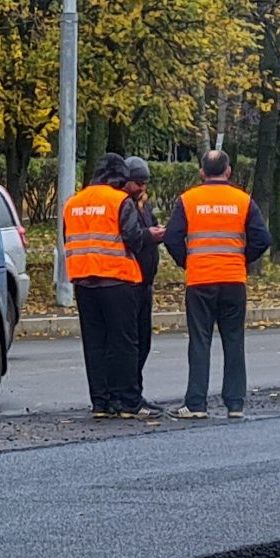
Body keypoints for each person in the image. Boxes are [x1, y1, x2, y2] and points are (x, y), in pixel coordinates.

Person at [164, 149, 272, 420]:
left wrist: (188, 262)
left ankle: (197, 403)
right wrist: (241, 259)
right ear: (228, 171)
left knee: (200, 341)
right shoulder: (242, 200)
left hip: (200, 279)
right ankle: (235, 404)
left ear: (202, 172)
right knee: (234, 341)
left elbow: (172, 237)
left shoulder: (188, 200)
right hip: (233, 279)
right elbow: (262, 238)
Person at [63, 153, 158, 418]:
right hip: (118, 280)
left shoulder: (72, 203)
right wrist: (150, 235)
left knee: (94, 344)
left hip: (83, 281)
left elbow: (67, 238)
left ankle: (101, 403)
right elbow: (132, 237)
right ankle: (129, 402)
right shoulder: (119, 201)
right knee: (124, 342)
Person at [122, 157, 165, 380]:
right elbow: (131, 238)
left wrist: (156, 232)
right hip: (129, 282)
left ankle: (134, 390)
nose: (142, 187)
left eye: (145, 183)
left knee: (143, 341)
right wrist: (150, 234)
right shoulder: (123, 204)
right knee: (132, 343)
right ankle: (129, 391)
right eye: (138, 182)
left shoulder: (143, 205)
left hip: (145, 282)